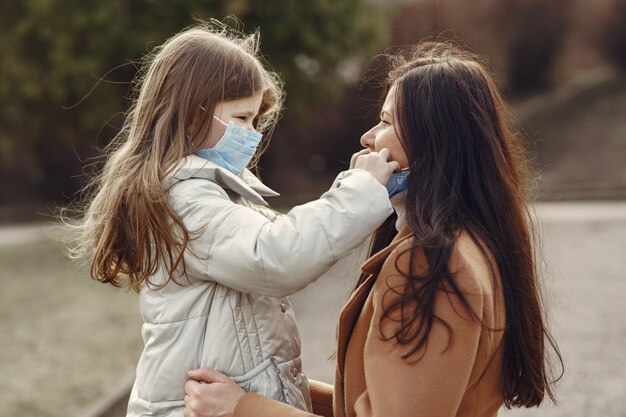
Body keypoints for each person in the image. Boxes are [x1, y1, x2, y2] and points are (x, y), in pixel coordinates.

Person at [182, 42, 563, 417]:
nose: (366, 138)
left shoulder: (431, 262)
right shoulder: (474, 243)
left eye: (385, 121)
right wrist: (265, 389)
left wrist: (243, 407)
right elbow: (387, 400)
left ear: (433, 138)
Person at [67, 23, 401, 417]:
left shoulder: (215, 192)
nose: (251, 134)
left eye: (255, 121)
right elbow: (276, 255)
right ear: (192, 115)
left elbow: (283, 234)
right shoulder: (183, 198)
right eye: (241, 118)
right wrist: (361, 190)